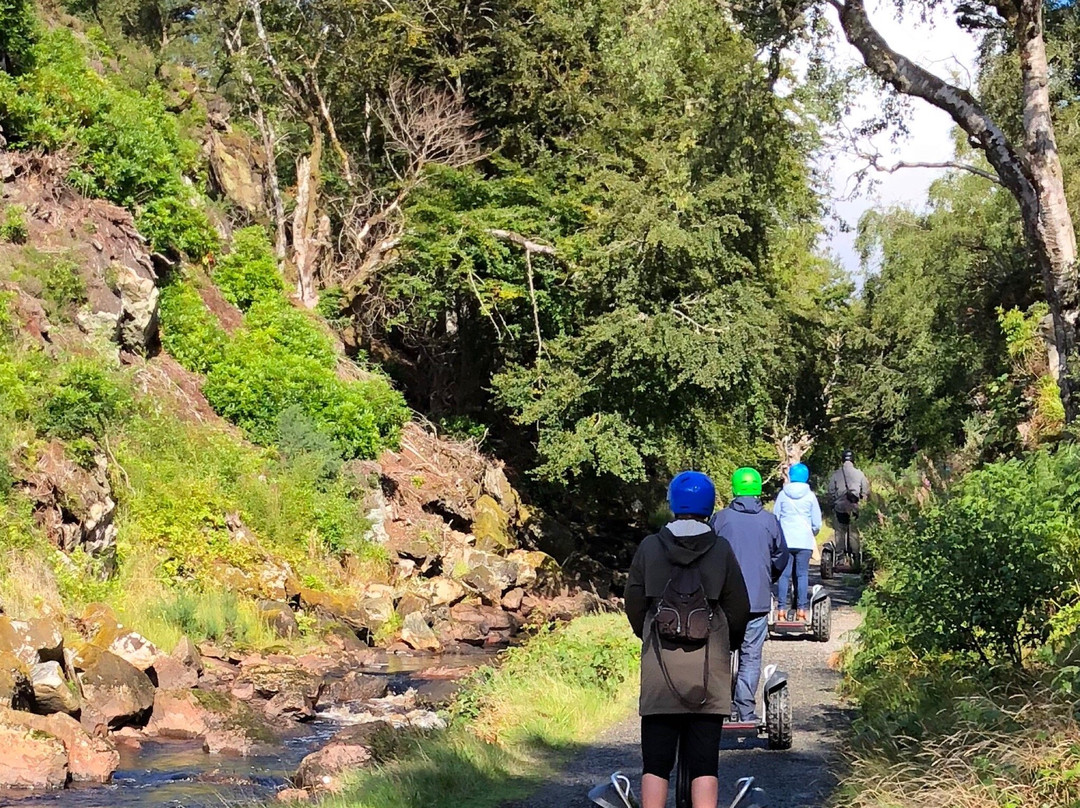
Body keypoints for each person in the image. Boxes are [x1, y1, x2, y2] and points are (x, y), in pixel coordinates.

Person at [625, 471, 751, 808]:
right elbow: (740, 607)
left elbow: (633, 602)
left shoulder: (650, 547)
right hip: (708, 675)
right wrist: (728, 643)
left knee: (655, 762)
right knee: (705, 763)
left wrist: (648, 633)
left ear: (672, 504)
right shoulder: (721, 549)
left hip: (660, 671)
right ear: (709, 506)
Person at [710, 467, 787, 725]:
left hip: (722, 602)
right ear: (758, 490)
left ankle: (718, 709)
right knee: (751, 656)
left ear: (734, 489)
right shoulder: (769, 521)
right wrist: (769, 578)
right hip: (757, 601)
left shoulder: (720, 520)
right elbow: (780, 557)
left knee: (719, 653)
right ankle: (745, 712)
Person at [773, 462, 822, 622]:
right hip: (804, 542)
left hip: (785, 541)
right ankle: (801, 610)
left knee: (783, 575)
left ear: (791, 476)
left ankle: (780, 611)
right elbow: (817, 523)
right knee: (802, 575)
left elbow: (776, 518)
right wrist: (810, 533)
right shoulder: (810, 496)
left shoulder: (782, 494)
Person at [826, 449, 870, 566]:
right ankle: (855, 558)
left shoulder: (836, 474)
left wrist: (834, 502)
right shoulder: (860, 474)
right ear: (853, 460)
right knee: (854, 532)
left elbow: (830, 491)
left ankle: (840, 559)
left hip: (840, 506)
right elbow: (865, 492)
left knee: (840, 532)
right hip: (854, 507)